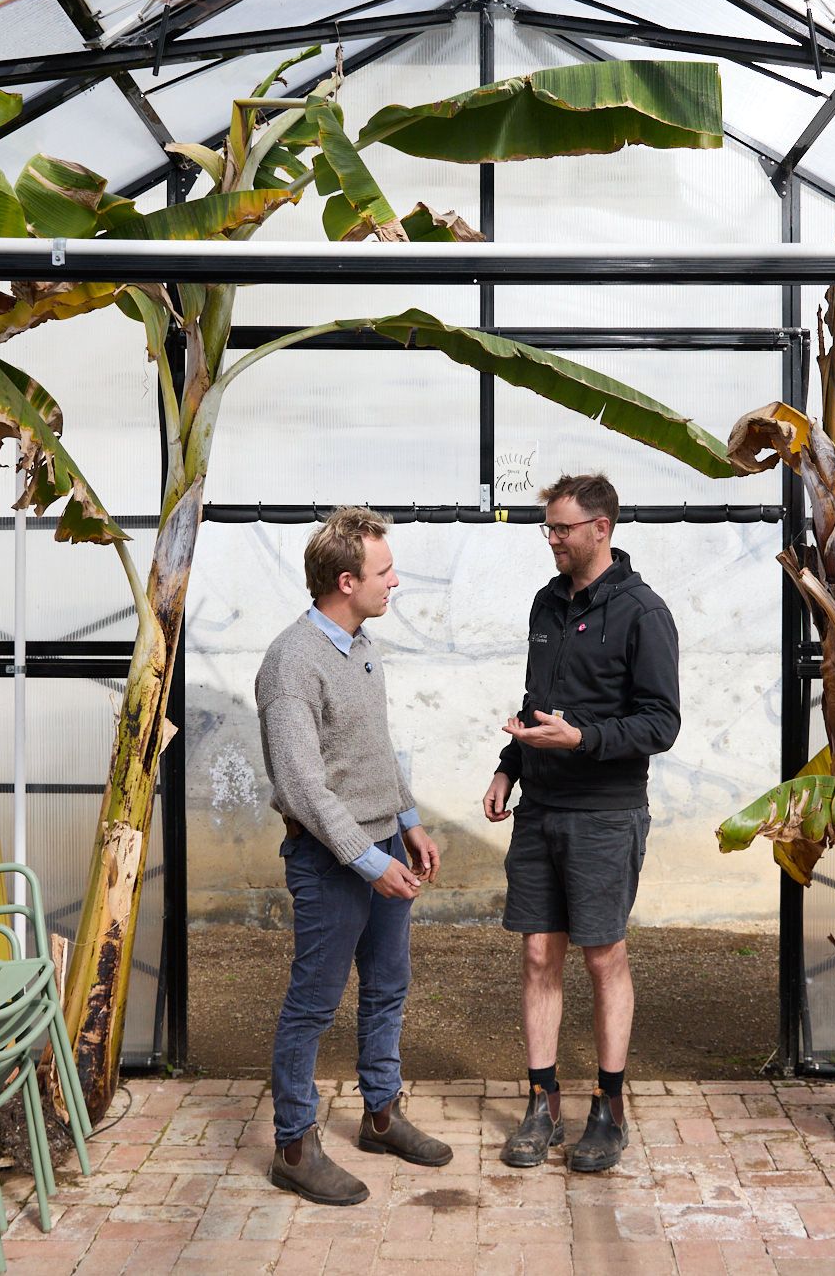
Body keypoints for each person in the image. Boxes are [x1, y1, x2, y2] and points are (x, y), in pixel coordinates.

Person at [483, 473, 681, 1174]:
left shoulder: (642, 612)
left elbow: (662, 722)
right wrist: (511, 762)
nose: (553, 539)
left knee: (604, 956)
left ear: (601, 528)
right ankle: (542, 1102)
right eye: (549, 527)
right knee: (539, 952)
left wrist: (583, 740)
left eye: (562, 527)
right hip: (540, 808)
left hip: (605, 812)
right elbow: (541, 700)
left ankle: (609, 1105)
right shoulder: (547, 603)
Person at [256, 506, 451, 1205]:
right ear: (346, 580)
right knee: (313, 1003)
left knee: (388, 987)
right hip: (332, 860)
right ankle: (294, 1145)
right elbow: (303, 786)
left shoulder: (361, 644)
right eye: (384, 570)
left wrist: (410, 822)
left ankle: (381, 1114)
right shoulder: (291, 664)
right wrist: (370, 861)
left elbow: (376, 746)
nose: (395, 581)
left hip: (383, 846)